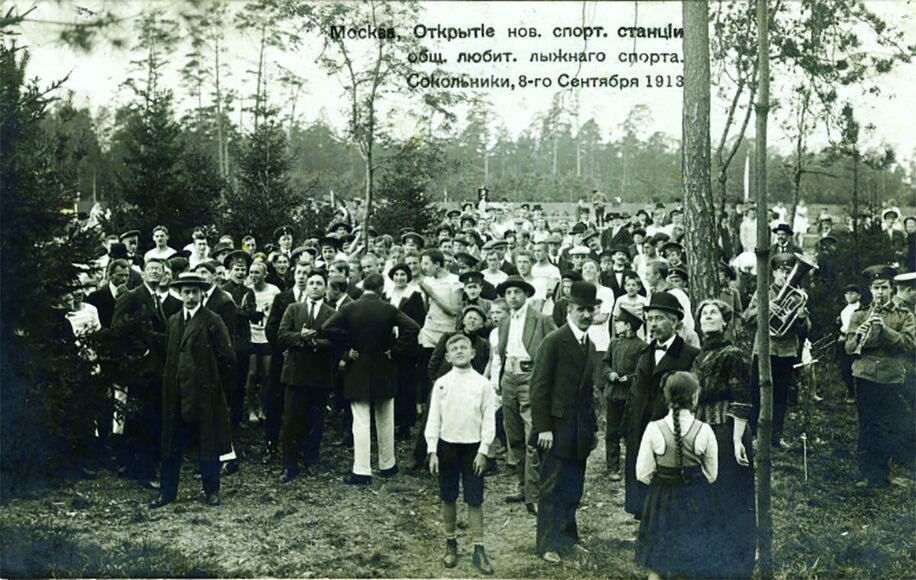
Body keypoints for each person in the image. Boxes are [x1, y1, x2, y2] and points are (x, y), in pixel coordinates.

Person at [324, 273, 421, 485]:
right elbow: (413, 328)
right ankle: (388, 465)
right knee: (385, 418)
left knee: (360, 421)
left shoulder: (349, 308)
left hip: (357, 368)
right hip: (384, 368)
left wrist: (347, 347)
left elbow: (327, 328)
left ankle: (361, 471)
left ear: (363, 287)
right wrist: (395, 350)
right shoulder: (388, 308)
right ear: (380, 289)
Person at [530, 281, 601, 563]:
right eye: (581, 309)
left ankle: (567, 538)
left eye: (591, 310)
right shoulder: (555, 341)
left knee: (573, 486)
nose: (586, 315)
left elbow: (587, 394)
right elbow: (539, 389)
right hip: (556, 428)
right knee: (551, 487)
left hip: (579, 429)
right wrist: (543, 427)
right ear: (570, 309)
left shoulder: (590, 344)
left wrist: (592, 429)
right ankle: (547, 543)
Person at [150, 272, 234, 508]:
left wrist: (214, 384)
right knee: (171, 444)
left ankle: (211, 491)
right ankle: (168, 492)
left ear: (202, 293)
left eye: (194, 292)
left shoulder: (212, 319)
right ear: (179, 293)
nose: (190, 296)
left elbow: (228, 357)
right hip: (176, 392)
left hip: (204, 394)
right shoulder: (174, 320)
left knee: (207, 442)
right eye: (185, 292)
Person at [691, 299, 756, 577]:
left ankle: (738, 563)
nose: (707, 316)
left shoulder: (734, 353)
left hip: (727, 431)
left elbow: (742, 398)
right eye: (703, 313)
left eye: (713, 313)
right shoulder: (698, 356)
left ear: (725, 321)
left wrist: (737, 440)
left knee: (732, 495)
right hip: (702, 429)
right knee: (708, 495)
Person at [635, 371, 718, 579]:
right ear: (695, 397)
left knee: (657, 564)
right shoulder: (705, 431)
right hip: (695, 501)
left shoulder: (654, 429)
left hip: (661, 501)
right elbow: (712, 474)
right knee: (692, 564)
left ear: (667, 397)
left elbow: (642, 473)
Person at [426, 333, 497, 575]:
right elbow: (434, 417)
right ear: (447, 356)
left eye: (463, 347)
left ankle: (479, 548)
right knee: (448, 496)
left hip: (472, 449)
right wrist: (432, 449)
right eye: (454, 348)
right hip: (447, 447)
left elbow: (489, 420)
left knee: (474, 498)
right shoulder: (442, 383)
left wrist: (483, 450)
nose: (459, 351)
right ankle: (451, 542)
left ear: (473, 352)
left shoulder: (483, 384)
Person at [624, 291, 700, 517]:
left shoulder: (689, 355)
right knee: (642, 475)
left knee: (668, 486)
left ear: (674, 322)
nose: (653, 324)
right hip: (640, 427)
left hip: (670, 430)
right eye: (650, 319)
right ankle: (645, 519)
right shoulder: (645, 352)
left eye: (659, 318)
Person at [845, 265, 916, 488]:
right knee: (868, 424)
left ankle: (885, 472)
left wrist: (884, 330)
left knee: (889, 424)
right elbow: (848, 348)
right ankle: (868, 473)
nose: (880, 293)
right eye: (876, 288)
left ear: (891, 288)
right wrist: (858, 336)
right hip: (865, 375)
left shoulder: (903, 314)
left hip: (891, 376)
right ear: (870, 289)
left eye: (884, 287)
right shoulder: (859, 314)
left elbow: (909, 343)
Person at [492, 275, 557, 515]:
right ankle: (522, 485)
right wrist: (501, 380)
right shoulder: (505, 323)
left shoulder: (541, 320)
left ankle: (536, 493)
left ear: (526, 294)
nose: (512, 297)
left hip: (532, 378)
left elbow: (555, 348)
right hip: (509, 378)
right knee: (514, 435)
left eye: (517, 292)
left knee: (533, 436)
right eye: (508, 293)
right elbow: (501, 354)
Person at [111, 258, 170, 488]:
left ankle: (137, 468)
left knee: (147, 420)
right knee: (144, 420)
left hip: (154, 370)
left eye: (160, 269)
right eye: (151, 269)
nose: (156, 272)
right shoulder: (132, 296)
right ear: (143, 274)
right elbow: (118, 328)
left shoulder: (157, 299)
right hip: (140, 369)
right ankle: (144, 472)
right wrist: (143, 352)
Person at [743, 253, 810, 448]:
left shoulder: (799, 296)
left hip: (787, 350)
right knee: (757, 394)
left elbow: (805, 330)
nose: (785, 276)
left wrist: (800, 318)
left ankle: (776, 436)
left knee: (781, 395)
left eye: (789, 272)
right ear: (773, 273)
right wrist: (764, 308)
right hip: (764, 350)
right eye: (782, 272)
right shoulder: (762, 292)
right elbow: (747, 317)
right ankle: (755, 435)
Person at [277, 270, 338, 482]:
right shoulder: (294, 309)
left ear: (325, 287)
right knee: (292, 420)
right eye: (311, 282)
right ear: (305, 286)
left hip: (320, 375)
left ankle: (311, 460)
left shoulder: (331, 313)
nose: (314, 286)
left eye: (319, 283)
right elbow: (282, 335)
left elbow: (336, 341)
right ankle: (289, 464)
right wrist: (301, 337)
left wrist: (316, 343)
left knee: (316, 419)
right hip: (295, 374)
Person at [602, 307, 647, 480]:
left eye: (619, 322)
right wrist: (610, 374)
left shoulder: (642, 347)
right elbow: (604, 364)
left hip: (630, 397)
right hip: (613, 395)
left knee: (631, 433)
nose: (616, 325)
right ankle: (612, 468)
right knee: (612, 432)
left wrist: (628, 379)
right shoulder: (614, 343)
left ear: (628, 326)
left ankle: (634, 466)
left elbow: (641, 373)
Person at [387, 263, 426, 441]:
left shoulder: (414, 295)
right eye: (397, 274)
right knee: (391, 384)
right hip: (389, 346)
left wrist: (400, 345)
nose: (400, 278)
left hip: (407, 347)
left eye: (403, 275)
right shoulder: (387, 295)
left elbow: (418, 322)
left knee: (406, 386)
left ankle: (404, 427)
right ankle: (391, 423)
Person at [837, 284, 862, 404]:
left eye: (852, 293)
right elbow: (842, 327)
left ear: (859, 295)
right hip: (845, 340)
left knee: (858, 367)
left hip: (858, 340)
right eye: (847, 293)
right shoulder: (843, 311)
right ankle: (851, 393)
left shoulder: (863, 309)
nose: (849, 296)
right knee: (845, 368)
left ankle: (861, 393)